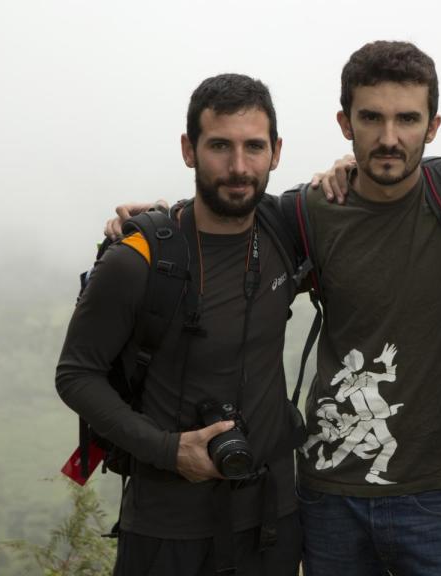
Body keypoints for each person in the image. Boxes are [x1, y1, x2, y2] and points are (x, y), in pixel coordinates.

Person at [105, 41, 441, 575]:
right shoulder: (313, 209)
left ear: (433, 126)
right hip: (327, 493)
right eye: (371, 118)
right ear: (345, 123)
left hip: (438, 495)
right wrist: (156, 221)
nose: (389, 137)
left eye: (407, 119)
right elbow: (228, 212)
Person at [56, 73, 302, 575]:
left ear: (276, 152)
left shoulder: (287, 231)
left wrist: (344, 167)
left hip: (272, 521)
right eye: (219, 146)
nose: (239, 167)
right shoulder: (138, 259)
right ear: (189, 150)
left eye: (254, 147)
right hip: (165, 530)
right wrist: (169, 451)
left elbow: (375, 189)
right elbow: (76, 374)